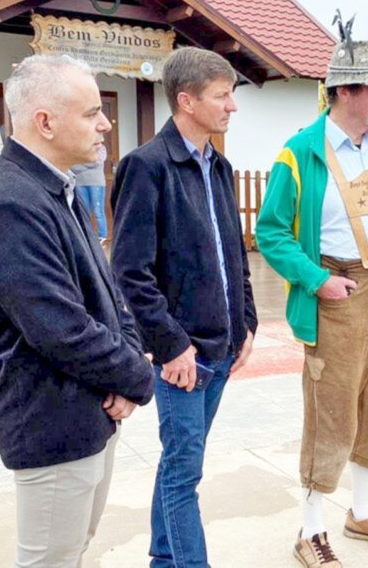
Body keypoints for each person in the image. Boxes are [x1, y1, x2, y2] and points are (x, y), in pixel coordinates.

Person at [0, 54, 154, 567]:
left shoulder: (59, 190)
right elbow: (59, 327)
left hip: (90, 413)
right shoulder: (9, 202)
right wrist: (136, 377)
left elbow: (109, 294)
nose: (106, 123)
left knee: (72, 551)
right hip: (51, 422)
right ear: (44, 121)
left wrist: (130, 367)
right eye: (92, 112)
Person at [255, 18, 368, 568]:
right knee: (332, 408)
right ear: (344, 92)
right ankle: (310, 528)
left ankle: (363, 510)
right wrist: (316, 278)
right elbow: (270, 230)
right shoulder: (299, 152)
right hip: (341, 291)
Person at [111, 46, 257, 568]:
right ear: (186, 100)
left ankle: (162, 559)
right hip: (182, 358)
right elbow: (130, 272)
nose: (232, 106)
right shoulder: (146, 168)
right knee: (184, 474)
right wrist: (171, 347)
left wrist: (247, 324)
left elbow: (233, 252)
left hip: (220, 348)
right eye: (222, 96)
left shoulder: (219, 165)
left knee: (179, 465)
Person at [71, 143, 109, 242]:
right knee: (84, 211)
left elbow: (96, 162)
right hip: (79, 183)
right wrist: (87, 163)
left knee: (98, 211)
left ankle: (102, 236)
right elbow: (72, 166)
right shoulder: (76, 148)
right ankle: (87, 235)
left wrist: (81, 163)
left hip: (96, 183)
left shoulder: (101, 148)